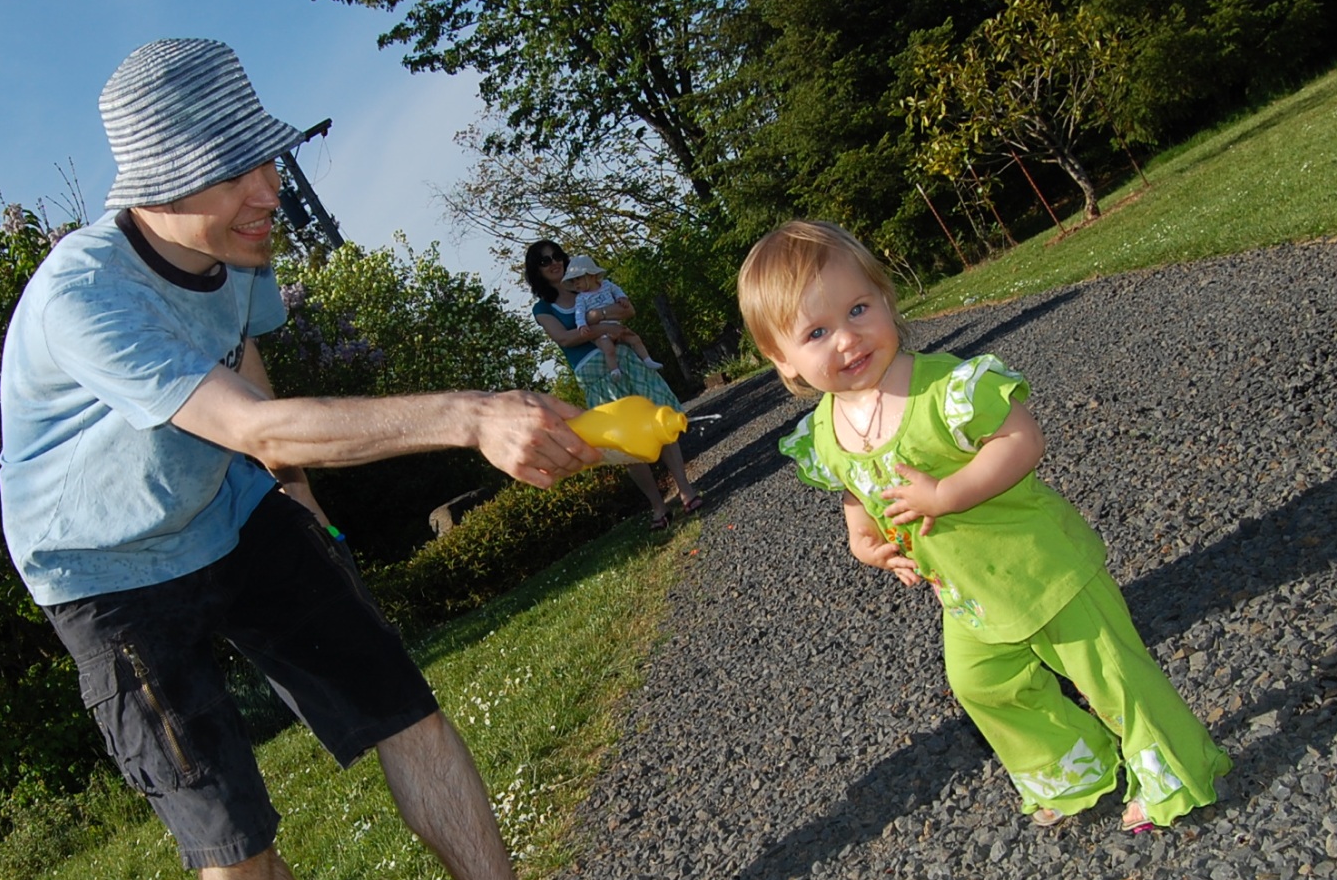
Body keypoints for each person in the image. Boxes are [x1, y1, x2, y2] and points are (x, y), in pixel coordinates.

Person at [0, 40, 663, 880]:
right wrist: (467, 414)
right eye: (235, 171)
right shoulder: (84, 297)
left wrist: (294, 500)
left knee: (402, 706)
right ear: (159, 186)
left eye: (266, 158)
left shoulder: (237, 247)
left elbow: (248, 364)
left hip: (233, 507)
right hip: (104, 573)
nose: (270, 190)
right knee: (222, 818)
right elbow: (249, 418)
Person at [737, 220, 1231, 832]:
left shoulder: (946, 389)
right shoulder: (824, 432)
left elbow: (1022, 439)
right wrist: (865, 541)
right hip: (967, 593)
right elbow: (854, 485)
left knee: (1112, 676)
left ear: (886, 299)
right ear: (782, 359)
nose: (847, 338)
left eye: (859, 309)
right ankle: (1074, 767)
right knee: (982, 685)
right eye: (816, 333)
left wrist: (946, 493)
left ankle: (1174, 774)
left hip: (1043, 568)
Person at [524, 240, 701, 530]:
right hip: (594, 376)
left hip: (625, 359)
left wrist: (596, 318)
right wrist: (604, 325)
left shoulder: (587, 282)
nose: (553, 262)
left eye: (556, 256)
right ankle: (658, 506)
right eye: (545, 261)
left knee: (660, 419)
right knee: (622, 441)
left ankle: (686, 490)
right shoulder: (543, 308)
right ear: (536, 270)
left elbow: (627, 310)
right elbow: (565, 338)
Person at [560, 254, 661, 378]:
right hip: (600, 331)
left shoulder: (606, 285)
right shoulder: (581, 298)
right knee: (608, 349)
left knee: (634, 338)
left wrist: (622, 297)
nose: (576, 284)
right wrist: (581, 325)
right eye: (573, 281)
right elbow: (579, 313)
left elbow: (617, 291)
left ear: (591, 275)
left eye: (578, 279)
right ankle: (614, 370)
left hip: (615, 324)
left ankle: (647, 360)